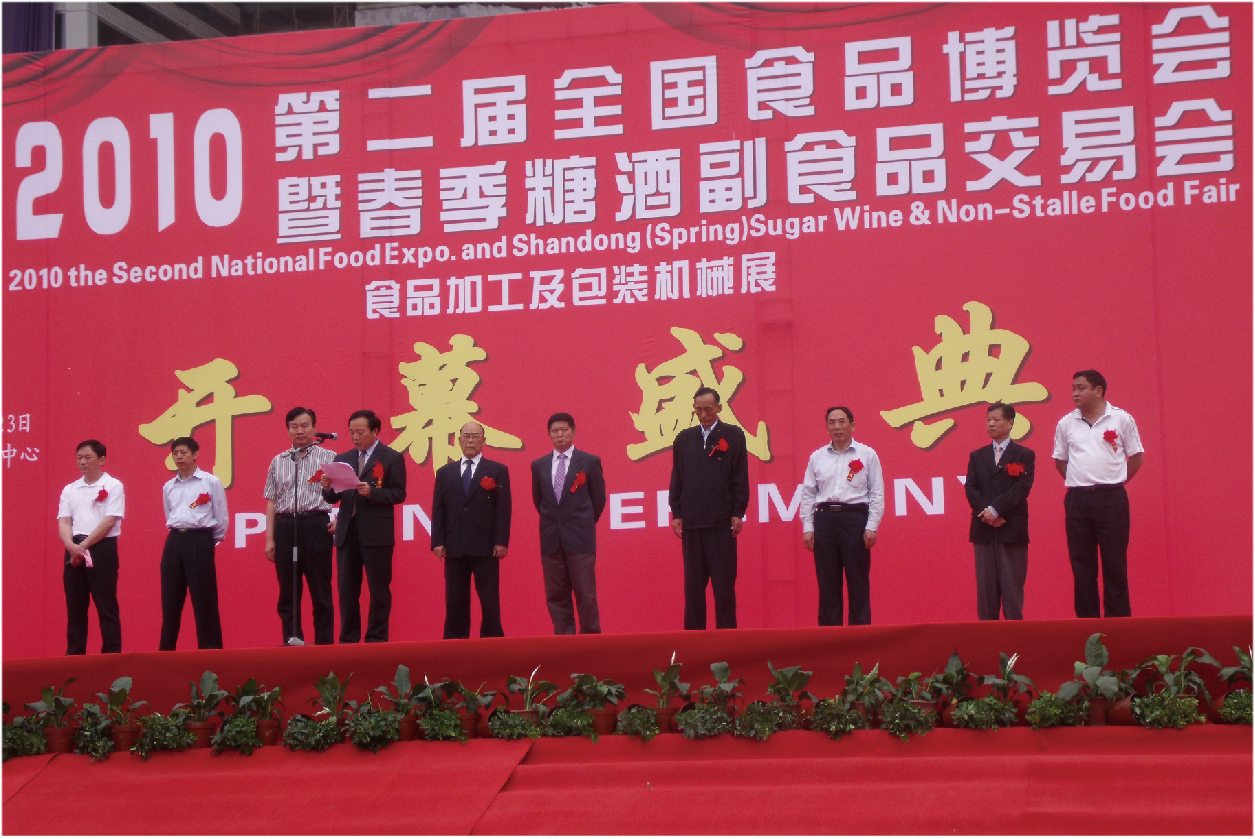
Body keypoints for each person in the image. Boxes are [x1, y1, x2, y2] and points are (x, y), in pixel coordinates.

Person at [1053, 369, 1144, 618]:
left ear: (1098, 391)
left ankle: (1118, 624)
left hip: (1111, 499)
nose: (1075, 393)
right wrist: (1081, 481)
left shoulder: (1121, 419)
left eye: (1081, 388)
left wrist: (1115, 480)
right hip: (1078, 500)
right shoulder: (1066, 423)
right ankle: (1087, 625)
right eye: (1073, 389)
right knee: (1082, 566)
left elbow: (1136, 458)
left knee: (1115, 564)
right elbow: (1061, 461)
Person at [319, 409, 406, 643]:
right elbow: (333, 498)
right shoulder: (343, 458)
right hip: (347, 532)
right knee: (347, 590)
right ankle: (349, 639)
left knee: (378, 590)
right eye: (351, 432)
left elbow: (399, 493)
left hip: (377, 533)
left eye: (360, 432)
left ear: (375, 431)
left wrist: (373, 493)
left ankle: (376, 637)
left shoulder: (391, 457)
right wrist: (327, 487)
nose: (355, 437)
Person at [668, 387, 749, 630]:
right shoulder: (684, 438)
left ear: (719, 408)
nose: (703, 415)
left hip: (721, 524)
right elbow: (677, 478)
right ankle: (694, 640)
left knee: (724, 589)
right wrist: (677, 513)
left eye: (708, 409)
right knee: (693, 589)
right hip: (692, 525)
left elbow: (740, 478)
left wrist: (738, 512)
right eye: (699, 410)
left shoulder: (733, 435)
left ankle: (727, 640)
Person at [798, 406, 884, 626]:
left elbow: (876, 492)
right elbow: (808, 493)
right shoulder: (817, 457)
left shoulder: (867, 454)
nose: (837, 427)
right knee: (827, 584)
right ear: (826, 427)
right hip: (825, 521)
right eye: (832, 422)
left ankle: (860, 635)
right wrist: (808, 526)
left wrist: (872, 526)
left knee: (858, 582)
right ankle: (830, 637)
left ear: (852, 425)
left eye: (842, 422)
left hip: (855, 519)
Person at [431, 421, 511, 639]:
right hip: (455, 546)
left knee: (489, 599)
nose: (470, 440)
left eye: (475, 436)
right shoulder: (445, 472)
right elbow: (438, 509)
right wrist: (438, 541)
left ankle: (492, 641)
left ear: (483, 441)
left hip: (486, 545)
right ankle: (455, 642)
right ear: (458, 441)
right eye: (466, 436)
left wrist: (501, 541)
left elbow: (503, 509)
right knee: (455, 599)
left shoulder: (497, 470)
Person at [263, 406, 336, 645]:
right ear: (287, 430)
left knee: (321, 593)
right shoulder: (278, 461)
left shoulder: (329, 458)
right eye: (294, 427)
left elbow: (347, 493)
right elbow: (272, 501)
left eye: (305, 426)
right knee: (288, 593)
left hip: (316, 526)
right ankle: (292, 642)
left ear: (314, 428)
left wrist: (340, 519)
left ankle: (324, 647)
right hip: (286, 528)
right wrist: (270, 539)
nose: (300, 431)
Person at [530, 412, 607, 635]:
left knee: (585, 592)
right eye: (555, 431)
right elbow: (539, 500)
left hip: (580, 538)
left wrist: (583, 522)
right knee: (556, 594)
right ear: (549, 435)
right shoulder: (539, 465)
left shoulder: (589, 461)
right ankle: (564, 639)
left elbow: (599, 499)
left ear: (574, 432)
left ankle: (590, 638)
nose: (560, 434)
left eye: (564, 430)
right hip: (551, 538)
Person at [964, 403, 1035, 621]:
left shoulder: (1024, 454)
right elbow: (971, 488)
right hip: (983, 531)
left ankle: (1015, 639)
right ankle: (988, 639)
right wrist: (987, 513)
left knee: (1012, 593)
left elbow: (1021, 488)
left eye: (996, 420)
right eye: (988, 420)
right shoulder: (977, 456)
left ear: (1010, 423)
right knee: (986, 595)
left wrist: (995, 510)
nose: (991, 424)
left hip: (1011, 529)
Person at [57, 439, 125, 655]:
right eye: (79, 458)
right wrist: (71, 546)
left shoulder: (113, 485)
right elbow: (64, 521)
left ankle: (111, 656)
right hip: (74, 549)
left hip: (101, 548)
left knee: (106, 605)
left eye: (88, 457)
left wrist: (83, 546)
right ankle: (75, 656)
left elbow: (109, 520)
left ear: (101, 460)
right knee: (75, 607)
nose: (82, 462)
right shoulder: (70, 489)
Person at [159, 436, 228, 650]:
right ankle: (166, 653)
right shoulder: (168, 487)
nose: (179, 457)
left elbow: (221, 519)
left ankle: (210, 653)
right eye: (175, 454)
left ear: (195, 454)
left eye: (184, 453)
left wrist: (206, 543)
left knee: (204, 601)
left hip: (200, 540)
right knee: (170, 601)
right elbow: (169, 515)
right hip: (174, 541)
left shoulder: (210, 482)